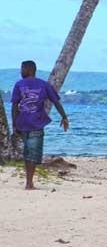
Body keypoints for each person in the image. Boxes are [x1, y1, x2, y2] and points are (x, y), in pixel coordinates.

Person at [11, 60, 69, 190]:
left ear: (29, 69)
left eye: (22, 69)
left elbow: (14, 107)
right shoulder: (43, 84)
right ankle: (29, 183)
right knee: (32, 154)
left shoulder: (20, 84)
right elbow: (56, 101)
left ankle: (29, 182)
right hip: (35, 123)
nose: (21, 71)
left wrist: (14, 124)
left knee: (28, 153)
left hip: (25, 123)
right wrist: (64, 116)